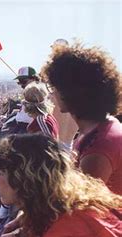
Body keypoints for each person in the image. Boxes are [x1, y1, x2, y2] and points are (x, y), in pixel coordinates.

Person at [41, 41, 122, 195]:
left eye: (54, 88)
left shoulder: (98, 149)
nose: (51, 95)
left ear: (70, 93)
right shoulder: (100, 129)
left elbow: (75, 206)